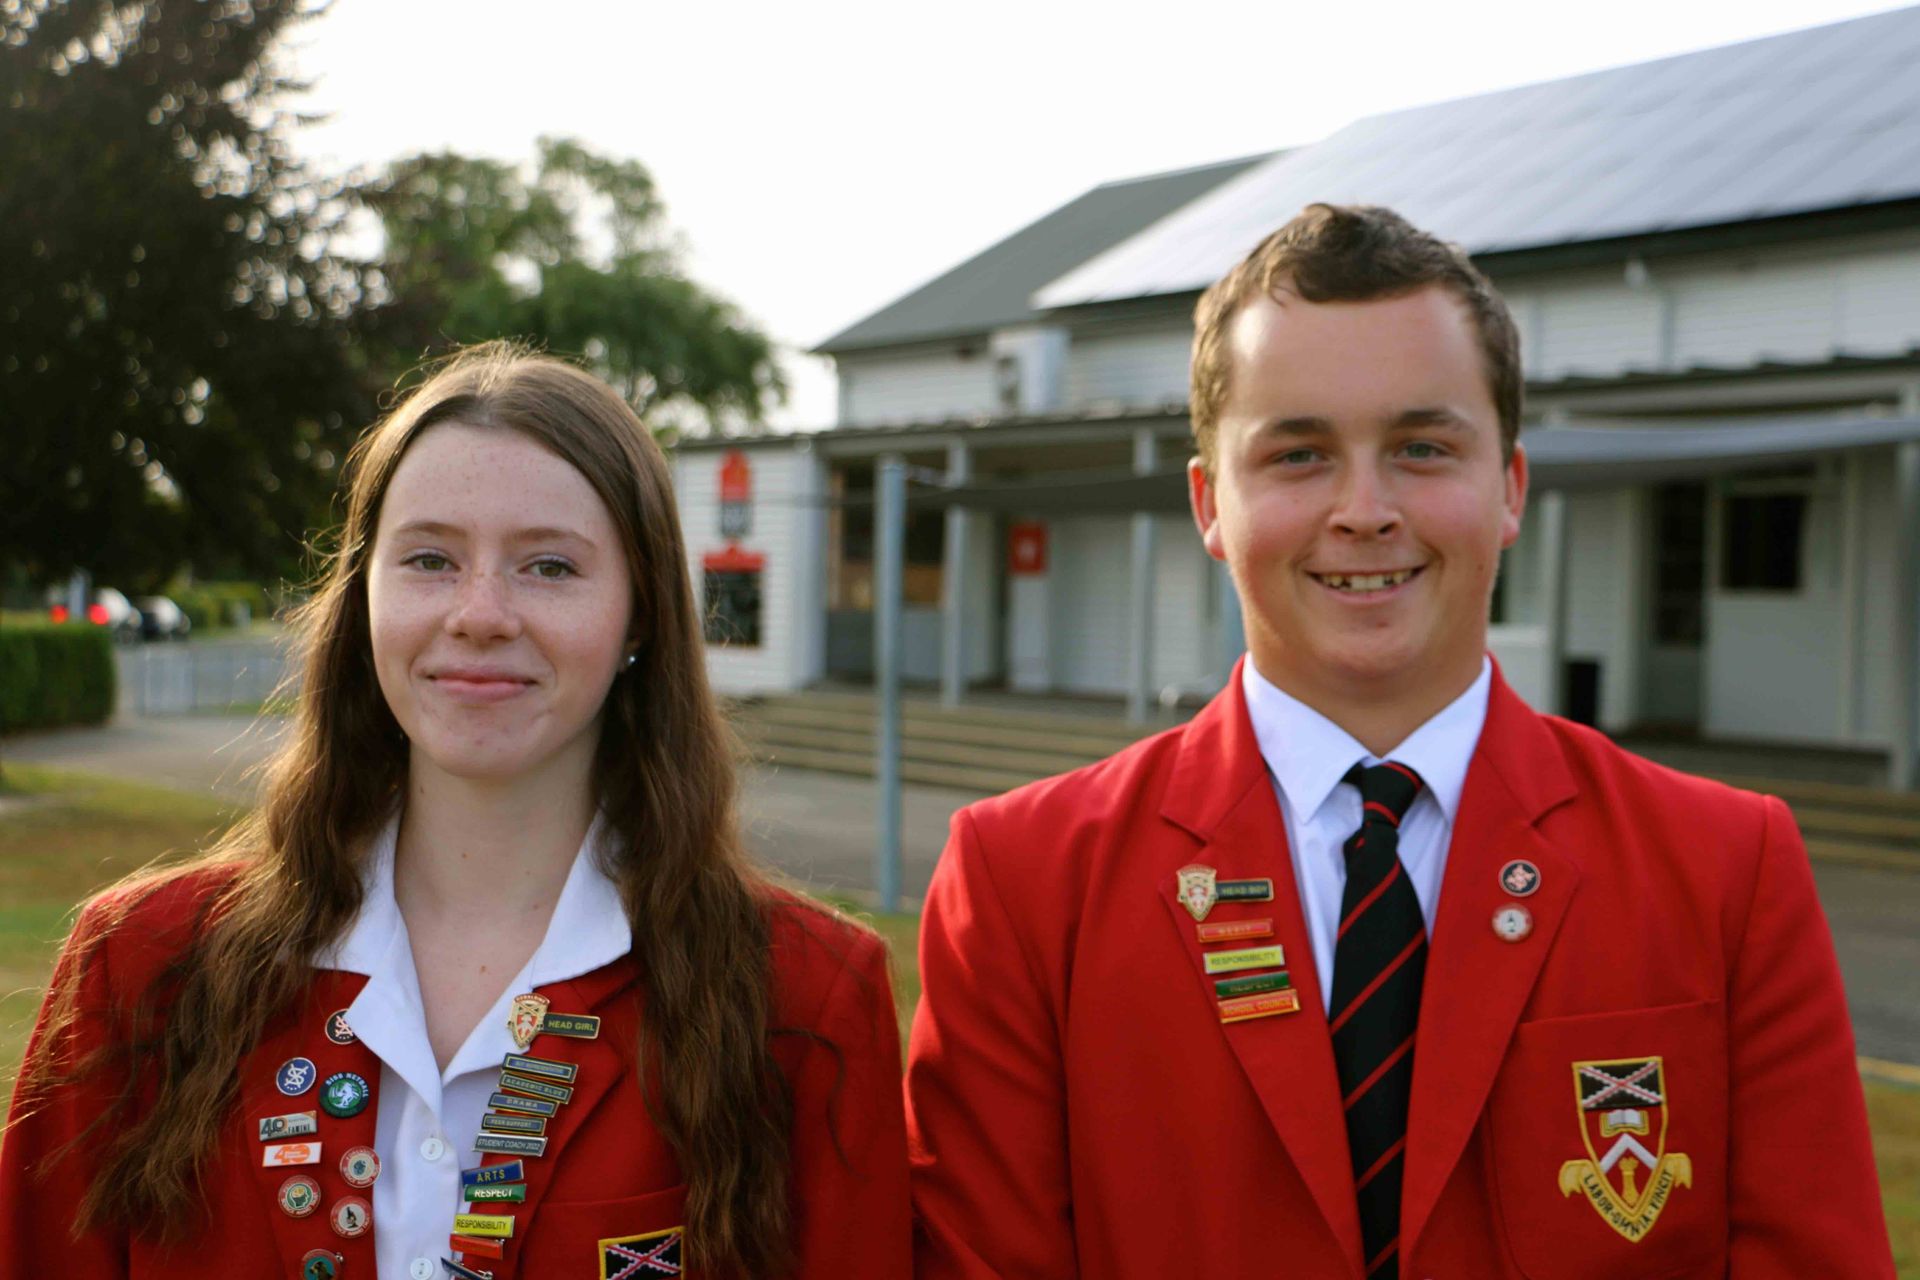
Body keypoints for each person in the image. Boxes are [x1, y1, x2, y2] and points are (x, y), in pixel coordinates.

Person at [904, 204, 1893, 1278]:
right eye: (1298, 454)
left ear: (1510, 486)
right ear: (1210, 503)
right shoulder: (1027, 885)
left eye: (1422, 447)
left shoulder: (1722, 868)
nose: (1365, 509)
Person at [1, 344, 911, 1278]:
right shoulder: (139, 969)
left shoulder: (802, 1002)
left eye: (550, 567)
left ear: (640, 615)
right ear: (363, 599)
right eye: (431, 558)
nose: (480, 613)